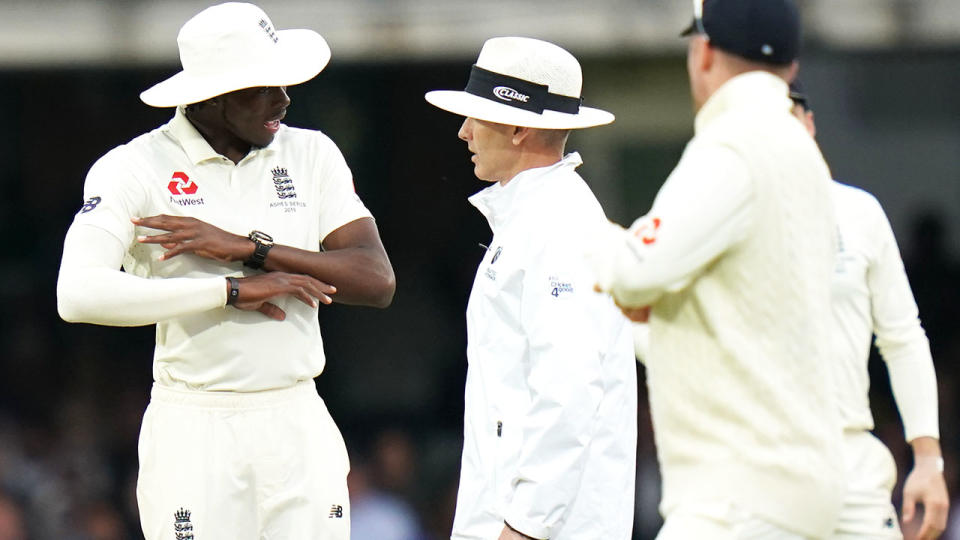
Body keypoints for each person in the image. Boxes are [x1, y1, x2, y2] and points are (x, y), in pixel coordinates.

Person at [55, 3, 395, 539]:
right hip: (194, 424)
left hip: (296, 416)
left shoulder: (312, 153)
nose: (284, 99)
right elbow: (77, 295)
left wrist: (251, 250)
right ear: (212, 95)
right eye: (264, 87)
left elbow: (375, 280)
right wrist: (229, 290)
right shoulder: (133, 167)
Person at [589, 0, 845, 538]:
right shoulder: (804, 154)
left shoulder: (731, 144)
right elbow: (736, 323)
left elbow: (635, 271)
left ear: (704, 53)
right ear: (792, 67)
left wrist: (597, 248)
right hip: (796, 488)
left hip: (735, 498)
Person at [424, 37, 637, 540]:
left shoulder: (557, 225)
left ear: (519, 127)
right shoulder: (533, 218)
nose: (463, 131)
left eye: (476, 117)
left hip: (540, 528)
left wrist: (525, 527)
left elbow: (569, 387)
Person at [789, 81, 949, 540]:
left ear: (811, 123)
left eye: (790, 117)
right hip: (762, 462)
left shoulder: (859, 212)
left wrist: (927, 459)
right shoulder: (727, 210)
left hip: (850, 459)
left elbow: (902, 337)